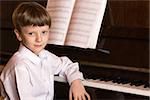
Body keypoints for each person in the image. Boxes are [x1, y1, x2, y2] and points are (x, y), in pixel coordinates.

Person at [0, 2, 90, 100]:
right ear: (18, 35)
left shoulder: (44, 56)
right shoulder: (20, 66)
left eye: (44, 32)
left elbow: (66, 65)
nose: (39, 39)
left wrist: (76, 82)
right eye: (31, 33)